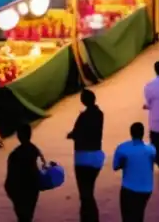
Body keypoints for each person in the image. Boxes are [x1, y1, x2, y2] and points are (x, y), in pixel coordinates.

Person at [68, 89, 105, 222]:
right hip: (96, 156)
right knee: (88, 190)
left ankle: (89, 218)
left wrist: (71, 135)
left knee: (85, 193)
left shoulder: (83, 117)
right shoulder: (99, 114)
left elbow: (75, 133)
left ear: (83, 101)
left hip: (83, 158)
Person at [113, 122, 157, 222]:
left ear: (131, 133)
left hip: (129, 188)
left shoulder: (123, 148)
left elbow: (115, 167)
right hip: (146, 188)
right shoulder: (151, 149)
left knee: (127, 216)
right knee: (139, 214)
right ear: (142, 133)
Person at [6, 122, 43, 222]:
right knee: (28, 215)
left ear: (18, 135)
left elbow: (11, 174)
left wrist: (9, 189)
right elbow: (42, 166)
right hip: (32, 186)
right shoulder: (34, 150)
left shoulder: (15, 154)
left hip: (19, 188)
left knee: (22, 216)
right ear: (30, 134)